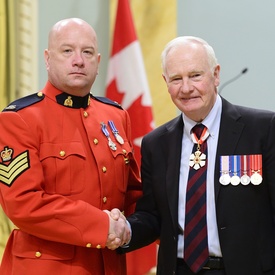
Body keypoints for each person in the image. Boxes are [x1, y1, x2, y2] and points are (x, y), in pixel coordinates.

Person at [111, 36, 275, 275]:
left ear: (216, 74)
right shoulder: (156, 144)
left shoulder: (262, 129)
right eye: (176, 79)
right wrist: (122, 229)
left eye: (195, 75)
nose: (186, 88)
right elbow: (152, 216)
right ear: (165, 82)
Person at [0, 18, 142, 275]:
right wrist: (102, 226)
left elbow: (133, 195)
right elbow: (24, 204)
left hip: (108, 266)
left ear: (98, 62)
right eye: (67, 51)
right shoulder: (18, 119)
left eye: (87, 52)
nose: (78, 60)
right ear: (47, 58)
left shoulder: (116, 116)